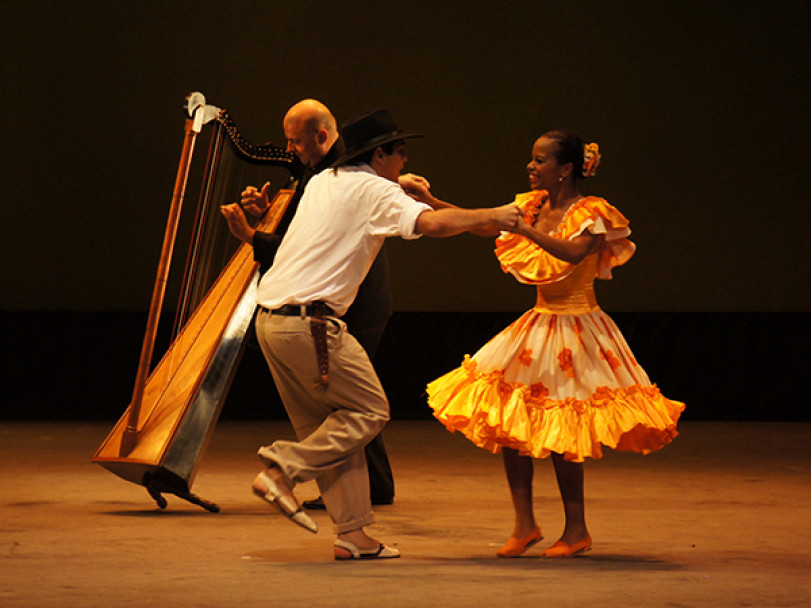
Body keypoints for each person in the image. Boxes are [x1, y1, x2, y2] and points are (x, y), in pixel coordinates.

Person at [221, 108, 522, 560]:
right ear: (379, 154)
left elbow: (371, 195)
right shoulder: (374, 189)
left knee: (335, 428)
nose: (404, 160)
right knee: (369, 411)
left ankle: (353, 534)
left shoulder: (325, 181)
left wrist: (408, 188)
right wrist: (496, 211)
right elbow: (434, 225)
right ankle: (284, 469)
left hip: (272, 323)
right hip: (312, 327)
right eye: (400, 152)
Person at [425, 130, 685, 558]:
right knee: (511, 420)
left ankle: (576, 529)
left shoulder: (593, 212)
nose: (531, 167)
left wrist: (524, 230)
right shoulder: (531, 205)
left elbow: (572, 253)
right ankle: (524, 524)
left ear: (566, 169)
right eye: (532, 159)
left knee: (568, 427)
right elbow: (483, 222)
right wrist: (432, 202)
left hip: (579, 327)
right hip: (539, 325)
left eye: (541, 160)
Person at [226, 99, 428, 508]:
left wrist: (251, 236)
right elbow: (308, 242)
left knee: (354, 404)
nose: (289, 150)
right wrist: (268, 216)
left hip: (352, 306)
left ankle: (297, 471)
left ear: (321, 135)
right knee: (346, 404)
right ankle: (356, 516)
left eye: (295, 141)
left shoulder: (345, 173)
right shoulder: (319, 173)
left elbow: (302, 249)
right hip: (326, 305)